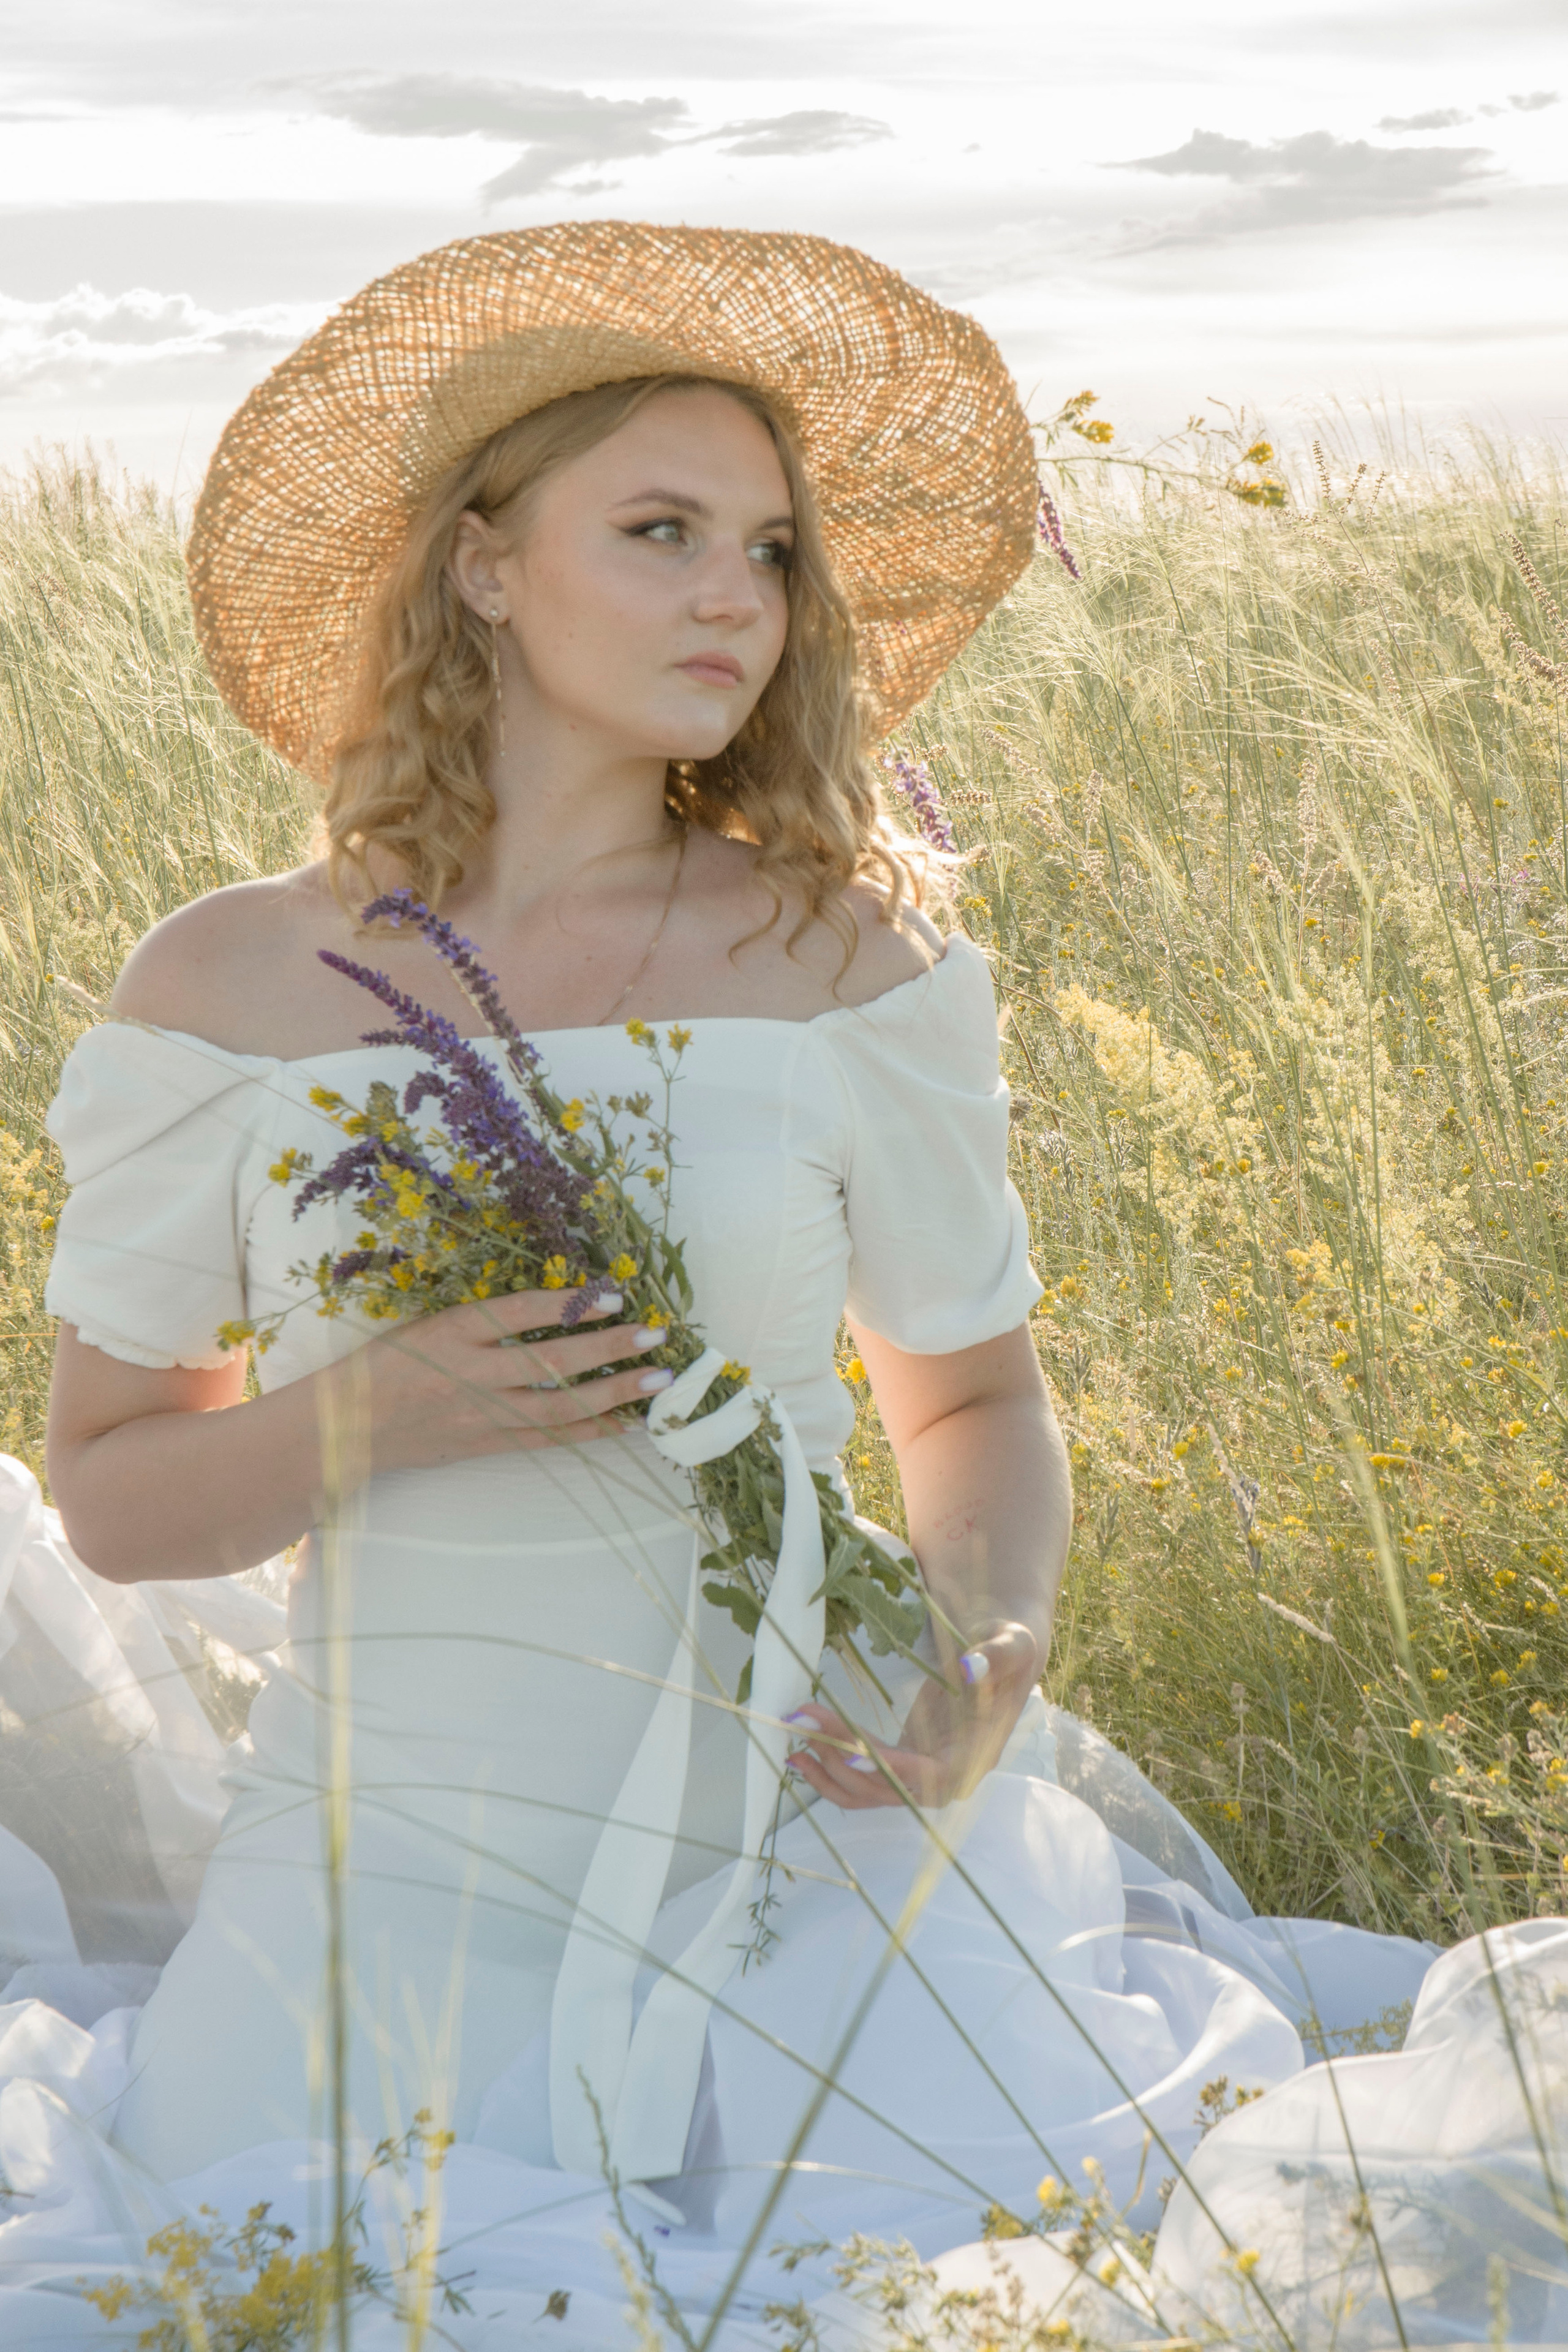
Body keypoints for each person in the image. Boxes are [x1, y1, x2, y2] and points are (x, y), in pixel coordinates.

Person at [0, 224, 1442, 2348]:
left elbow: (969, 1405)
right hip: (385, 1873)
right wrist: (383, 1410)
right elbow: (115, 1497)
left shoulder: (856, 957)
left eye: (768, 552)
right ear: (484, 564)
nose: (730, 601)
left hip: (809, 1837)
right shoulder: (229, 985)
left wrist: (987, 1640)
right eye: (659, 530)